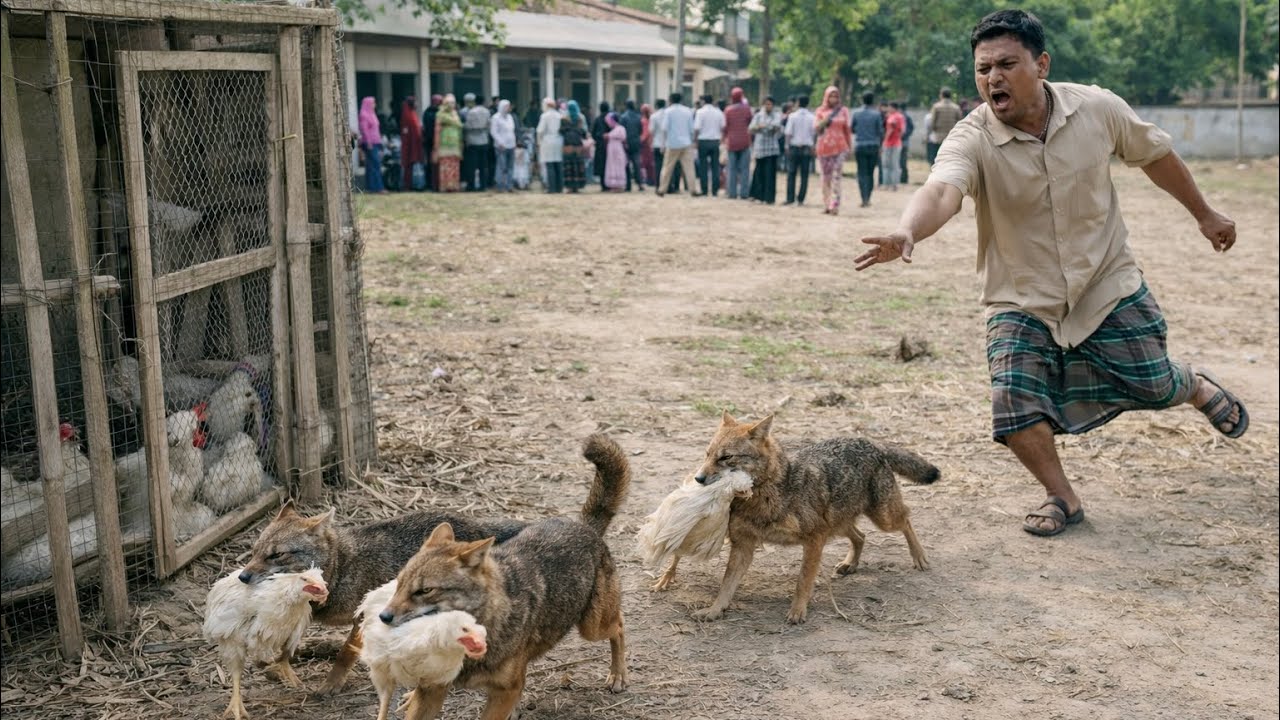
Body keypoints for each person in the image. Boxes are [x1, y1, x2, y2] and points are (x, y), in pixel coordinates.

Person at [853, 9, 1245, 538]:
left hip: (1105, 280)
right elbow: (942, 190)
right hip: (1020, 293)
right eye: (982, 68)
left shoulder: (1097, 108)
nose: (992, 78)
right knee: (1012, 399)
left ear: (1041, 65)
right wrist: (908, 231)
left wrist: (1204, 213)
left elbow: (1154, 154)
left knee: (1153, 384)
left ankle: (1192, 385)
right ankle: (1062, 496)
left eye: (1006, 64)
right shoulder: (972, 137)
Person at [814, 86, 852, 215]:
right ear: (826, 97)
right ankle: (826, 204)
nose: (833, 99)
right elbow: (816, 128)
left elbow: (847, 130)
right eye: (831, 96)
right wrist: (825, 120)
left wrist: (849, 147)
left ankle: (835, 205)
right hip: (824, 148)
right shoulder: (820, 111)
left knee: (836, 177)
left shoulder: (843, 111)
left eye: (836, 96)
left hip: (840, 147)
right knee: (825, 178)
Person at [657, 92, 698, 197]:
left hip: (672, 143)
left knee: (667, 168)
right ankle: (693, 189)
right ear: (681, 100)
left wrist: (663, 144)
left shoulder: (668, 112)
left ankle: (662, 189)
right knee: (689, 168)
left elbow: (664, 129)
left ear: (670, 100)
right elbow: (691, 129)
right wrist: (692, 142)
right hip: (686, 143)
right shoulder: (687, 111)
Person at [850, 92, 883, 208]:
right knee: (870, 173)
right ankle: (868, 197)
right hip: (873, 146)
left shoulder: (856, 113)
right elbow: (880, 131)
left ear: (862, 100)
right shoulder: (876, 115)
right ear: (872, 100)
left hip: (860, 146)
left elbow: (852, 129)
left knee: (861, 172)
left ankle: (863, 198)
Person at [748, 96, 783, 204]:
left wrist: (762, 127)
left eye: (770, 104)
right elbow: (751, 128)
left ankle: (769, 198)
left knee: (770, 174)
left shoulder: (777, 115)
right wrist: (762, 127)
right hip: (760, 149)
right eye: (766, 104)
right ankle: (758, 196)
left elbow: (777, 127)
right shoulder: (758, 115)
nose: (768, 106)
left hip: (772, 149)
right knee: (759, 173)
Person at [783, 95, 814, 206]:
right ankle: (801, 198)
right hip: (806, 148)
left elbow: (788, 133)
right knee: (804, 175)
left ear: (798, 103)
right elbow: (813, 133)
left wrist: (786, 146)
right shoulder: (811, 117)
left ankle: (790, 198)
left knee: (791, 173)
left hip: (794, 147)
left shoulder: (792, 116)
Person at [722, 87, 753, 200]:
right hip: (745, 141)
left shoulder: (728, 110)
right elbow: (751, 123)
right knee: (745, 169)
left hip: (732, 142)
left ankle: (732, 193)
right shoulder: (747, 109)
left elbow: (725, 127)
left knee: (732, 168)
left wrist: (725, 138)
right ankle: (744, 193)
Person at [693, 93, 724, 197]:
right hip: (715, 141)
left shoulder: (700, 112)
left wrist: (695, 141)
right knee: (715, 166)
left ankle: (704, 190)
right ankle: (715, 190)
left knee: (703, 167)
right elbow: (723, 127)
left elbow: (697, 128)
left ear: (703, 101)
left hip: (703, 141)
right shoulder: (718, 112)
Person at [433, 94, 463, 192]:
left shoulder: (455, 114)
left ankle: (454, 185)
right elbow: (437, 130)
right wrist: (436, 146)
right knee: (445, 165)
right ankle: (445, 185)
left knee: (455, 165)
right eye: (449, 102)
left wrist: (460, 143)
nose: (451, 105)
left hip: (455, 143)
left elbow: (459, 128)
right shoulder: (440, 114)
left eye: (453, 102)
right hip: (444, 143)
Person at [357, 97, 387, 194]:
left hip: (376, 142)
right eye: (373, 103)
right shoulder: (364, 115)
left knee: (371, 165)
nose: (374, 105)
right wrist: (369, 142)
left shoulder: (372, 114)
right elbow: (364, 130)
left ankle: (371, 188)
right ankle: (378, 187)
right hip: (370, 143)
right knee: (375, 165)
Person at [461, 93, 491, 191]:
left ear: (475, 102)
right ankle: (483, 185)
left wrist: (462, 126)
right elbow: (488, 125)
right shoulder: (487, 111)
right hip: (484, 140)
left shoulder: (471, 112)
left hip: (473, 141)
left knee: (472, 166)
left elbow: (468, 126)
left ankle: (471, 185)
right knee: (483, 165)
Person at [535, 97, 564, 193]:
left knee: (550, 165)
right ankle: (559, 187)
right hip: (558, 141)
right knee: (558, 164)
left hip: (547, 141)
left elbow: (540, 130)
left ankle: (552, 188)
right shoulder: (559, 115)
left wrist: (538, 142)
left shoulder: (545, 116)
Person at [929, 86, 963, 164]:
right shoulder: (956, 108)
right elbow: (960, 122)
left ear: (941, 95)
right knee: (950, 161)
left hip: (938, 138)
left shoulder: (936, 107)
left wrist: (934, 130)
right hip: (952, 138)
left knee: (937, 160)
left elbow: (932, 122)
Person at [398, 97, 425, 191]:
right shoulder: (406, 114)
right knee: (407, 165)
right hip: (409, 145)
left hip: (415, 143)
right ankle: (406, 185)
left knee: (413, 164)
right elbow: (405, 130)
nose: (417, 105)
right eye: (415, 103)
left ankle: (414, 184)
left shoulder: (413, 114)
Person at [561, 100, 589, 193]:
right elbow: (584, 131)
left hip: (567, 145)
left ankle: (569, 187)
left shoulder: (564, 118)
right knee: (577, 166)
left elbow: (561, 131)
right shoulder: (580, 118)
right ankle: (577, 186)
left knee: (569, 166)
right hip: (578, 145)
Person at [490, 100, 517, 192]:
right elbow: (493, 132)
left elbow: (512, 130)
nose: (509, 108)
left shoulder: (510, 117)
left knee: (510, 167)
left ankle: (509, 186)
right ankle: (500, 185)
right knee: (501, 166)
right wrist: (500, 142)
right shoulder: (495, 118)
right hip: (501, 146)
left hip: (511, 145)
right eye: (507, 106)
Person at [619, 100, 645, 191]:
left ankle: (628, 185)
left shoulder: (623, 117)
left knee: (626, 164)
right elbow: (640, 131)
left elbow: (622, 131)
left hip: (626, 143)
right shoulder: (638, 117)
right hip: (636, 142)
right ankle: (640, 184)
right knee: (637, 164)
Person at [881, 101, 906, 192]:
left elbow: (890, 130)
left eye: (889, 107)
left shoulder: (893, 117)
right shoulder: (901, 117)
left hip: (889, 144)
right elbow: (903, 131)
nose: (888, 109)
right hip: (897, 143)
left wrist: (885, 140)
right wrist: (898, 136)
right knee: (895, 164)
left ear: (893, 108)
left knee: (886, 165)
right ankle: (895, 185)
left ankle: (886, 184)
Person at [603, 112, 629, 191]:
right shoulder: (615, 129)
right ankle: (613, 185)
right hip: (612, 149)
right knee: (612, 165)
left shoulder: (620, 128)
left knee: (618, 165)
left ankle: (619, 185)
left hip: (618, 148)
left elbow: (623, 139)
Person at [421, 94, 442, 191]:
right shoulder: (436, 113)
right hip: (433, 141)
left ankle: (432, 183)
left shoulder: (427, 112)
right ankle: (432, 183)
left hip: (430, 140)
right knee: (432, 163)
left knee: (432, 163)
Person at [591, 102, 611, 192]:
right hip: (610, 144)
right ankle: (610, 183)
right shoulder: (610, 118)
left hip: (600, 144)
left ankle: (603, 184)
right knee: (609, 164)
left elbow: (593, 132)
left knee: (602, 165)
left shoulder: (597, 119)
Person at [640, 103, 656, 188]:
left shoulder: (644, 120)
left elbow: (645, 133)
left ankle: (650, 179)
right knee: (650, 163)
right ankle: (652, 179)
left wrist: (641, 140)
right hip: (651, 142)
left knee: (646, 163)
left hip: (646, 143)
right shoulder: (652, 119)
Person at [899, 102, 915, 184]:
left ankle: (901, 179)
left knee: (899, 161)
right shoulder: (907, 117)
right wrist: (906, 135)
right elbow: (912, 128)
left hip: (899, 142)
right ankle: (904, 179)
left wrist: (903, 135)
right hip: (905, 142)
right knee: (903, 161)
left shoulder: (900, 116)